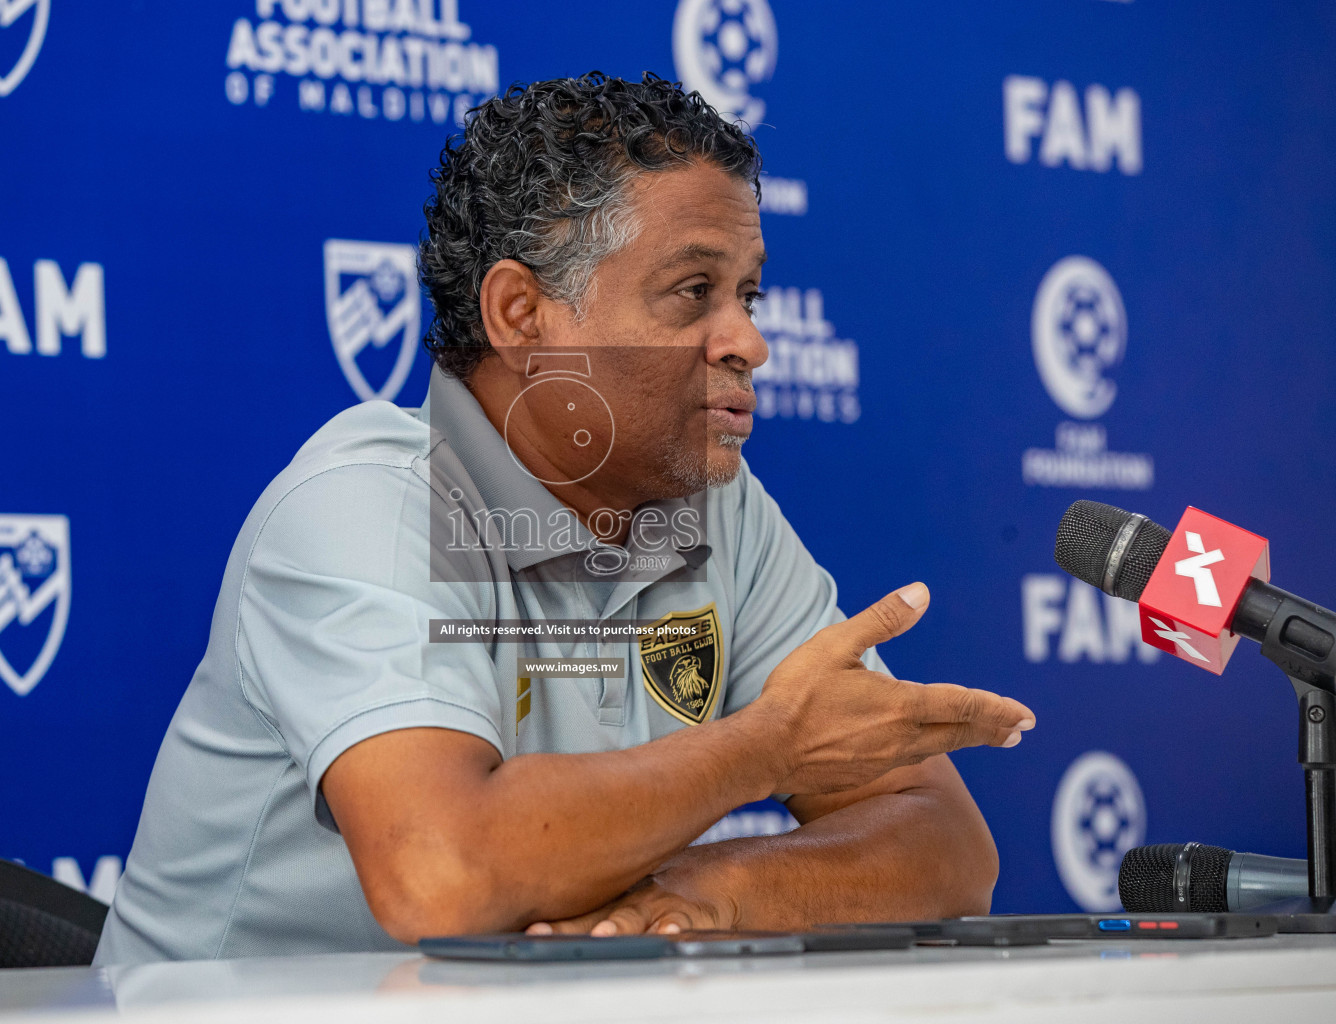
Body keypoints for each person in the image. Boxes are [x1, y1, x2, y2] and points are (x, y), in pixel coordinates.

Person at [94, 72, 1035, 963]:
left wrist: (714, 894)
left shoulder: (717, 506)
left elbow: (946, 845)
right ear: (520, 312)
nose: (749, 339)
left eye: (747, 293)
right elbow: (442, 875)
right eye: (692, 292)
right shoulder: (369, 504)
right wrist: (766, 748)